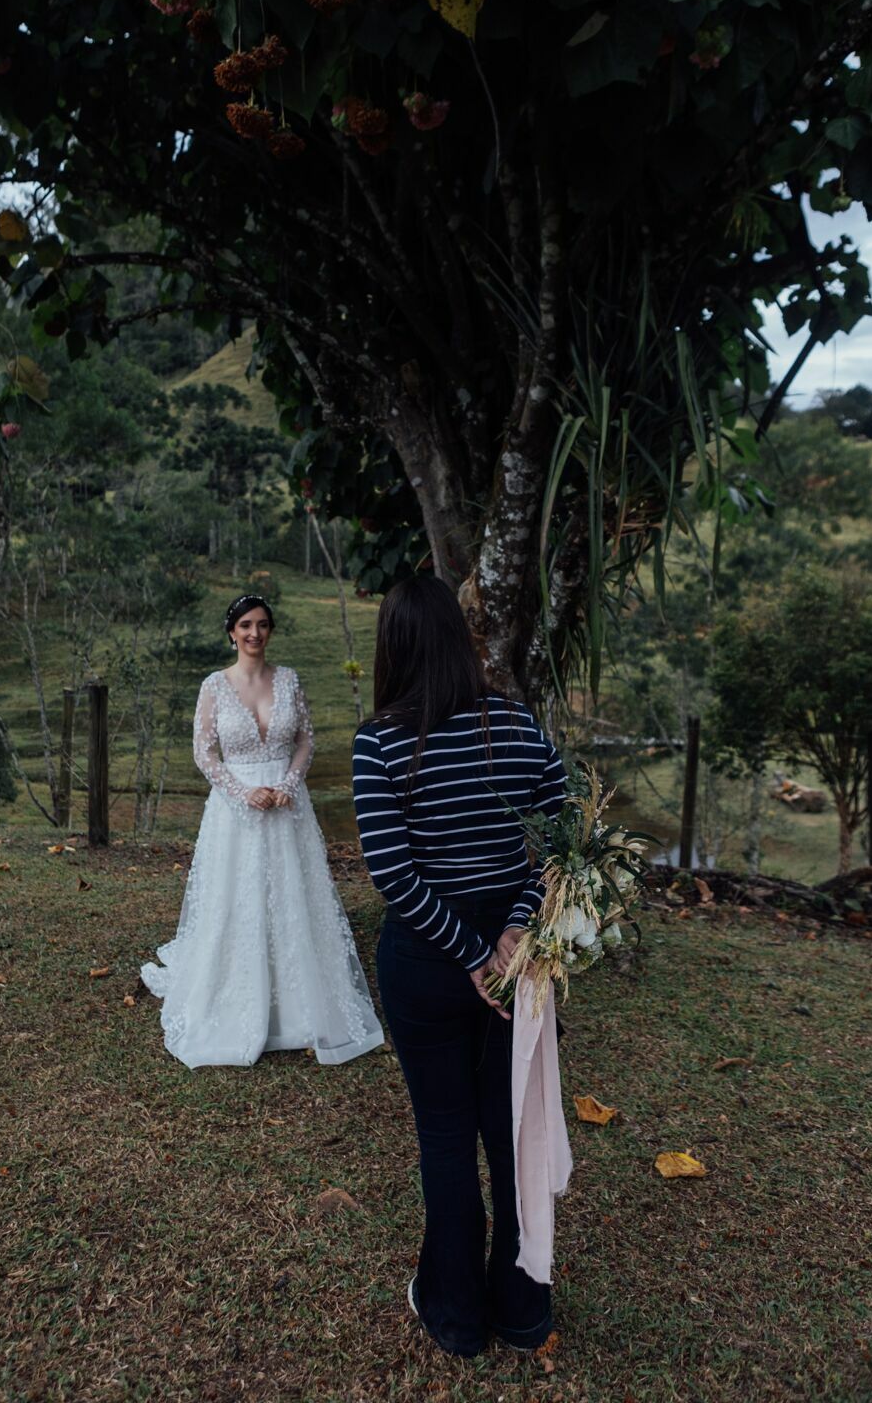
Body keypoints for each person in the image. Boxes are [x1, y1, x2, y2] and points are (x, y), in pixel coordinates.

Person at [352, 575, 567, 1358]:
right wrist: (510, 932)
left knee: (446, 1139)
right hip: (514, 962)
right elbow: (564, 826)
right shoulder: (514, 723)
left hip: (427, 959)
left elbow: (394, 878)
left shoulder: (379, 741)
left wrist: (480, 949)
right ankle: (521, 1312)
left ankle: (455, 1316)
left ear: (394, 647)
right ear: (459, 639)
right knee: (511, 1136)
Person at [142, 593, 384, 1069]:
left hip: (287, 805)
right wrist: (241, 791)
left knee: (294, 894)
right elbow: (204, 753)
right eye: (246, 625)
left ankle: (299, 1001)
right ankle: (238, 993)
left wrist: (290, 782)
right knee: (238, 897)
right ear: (231, 632)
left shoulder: (289, 680)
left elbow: (305, 741)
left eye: (263, 625)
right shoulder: (214, 685)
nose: (255, 633)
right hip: (236, 810)